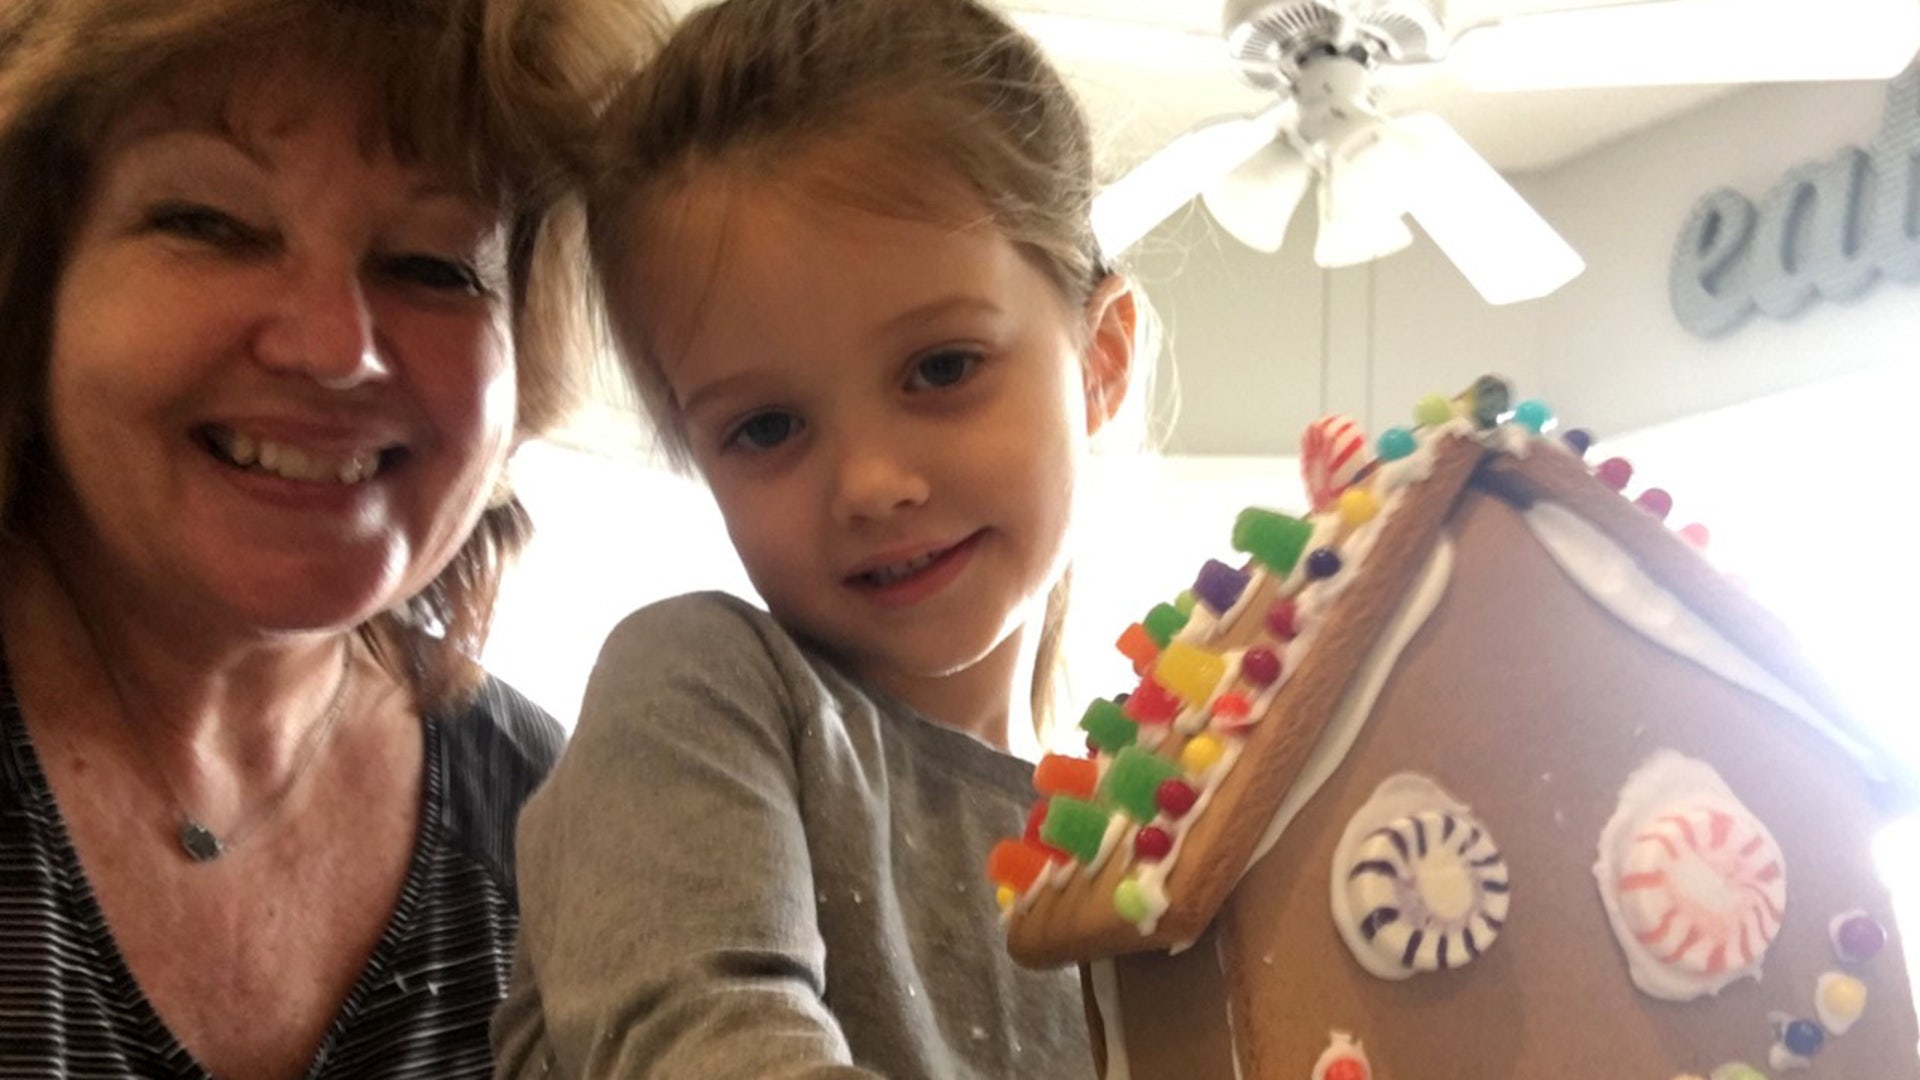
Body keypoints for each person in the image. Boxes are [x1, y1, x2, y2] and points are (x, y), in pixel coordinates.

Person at [0, 1, 659, 1077]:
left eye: (434, 264)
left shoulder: (552, 824)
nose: (334, 348)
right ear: (34, 283)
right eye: (212, 223)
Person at [493, 0, 1140, 1075]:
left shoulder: (1134, 851)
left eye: (941, 368)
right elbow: (702, 1036)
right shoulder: (702, 691)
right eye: (766, 427)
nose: (872, 485)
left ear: (1101, 358)